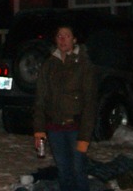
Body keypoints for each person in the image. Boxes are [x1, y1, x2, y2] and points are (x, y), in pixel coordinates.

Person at [32, 23, 97, 191]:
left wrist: (85, 137)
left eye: (67, 35)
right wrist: (39, 130)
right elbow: (40, 99)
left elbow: (90, 102)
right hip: (55, 128)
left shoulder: (84, 64)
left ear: (74, 39)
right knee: (63, 170)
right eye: (59, 36)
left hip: (76, 127)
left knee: (78, 170)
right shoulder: (49, 65)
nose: (62, 39)